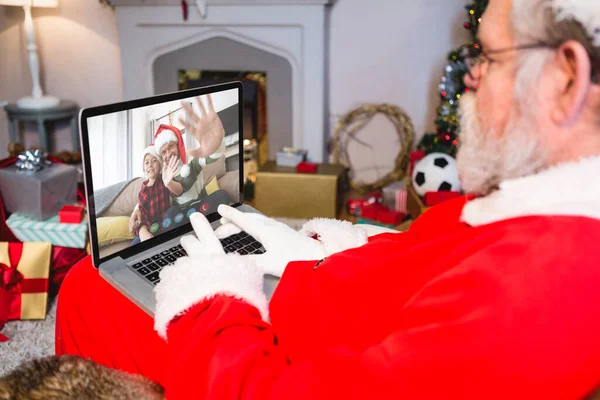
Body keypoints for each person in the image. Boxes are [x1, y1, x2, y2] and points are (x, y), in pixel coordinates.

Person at [56, 0, 600, 398]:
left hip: (275, 352)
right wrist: (315, 249)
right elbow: (419, 264)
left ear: (566, 78)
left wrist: (213, 291)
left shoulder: (540, 291)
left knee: (89, 285)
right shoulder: (542, 214)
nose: (470, 78)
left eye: (489, 57)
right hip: (317, 304)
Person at [129, 94, 227, 234]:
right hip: (179, 214)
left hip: (200, 205)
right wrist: (136, 210)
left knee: (221, 196)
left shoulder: (192, 160)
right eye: (163, 152)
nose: (168, 154)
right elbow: (147, 195)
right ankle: (193, 226)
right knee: (170, 216)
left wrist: (215, 143)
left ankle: (195, 224)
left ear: (178, 144)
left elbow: (211, 157)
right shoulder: (163, 175)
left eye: (170, 147)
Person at [129, 145, 174, 246]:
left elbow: (176, 194)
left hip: (165, 227)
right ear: (144, 168)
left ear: (160, 164)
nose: (150, 165)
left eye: (154, 161)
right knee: (133, 245)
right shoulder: (143, 192)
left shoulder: (164, 181)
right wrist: (143, 232)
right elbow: (142, 215)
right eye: (147, 162)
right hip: (150, 230)